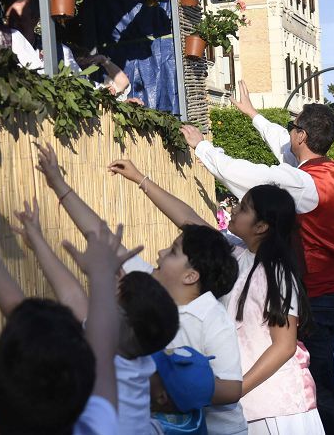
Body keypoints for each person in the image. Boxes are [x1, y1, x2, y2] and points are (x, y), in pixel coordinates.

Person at [35, 144, 247, 434]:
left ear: (190, 276)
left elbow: (233, 388)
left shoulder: (212, 320)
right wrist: (58, 184)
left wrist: (174, 381)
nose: (159, 253)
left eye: (172, 252)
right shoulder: (148, 283)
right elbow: (101, 235)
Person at [182, 80, 334, 435]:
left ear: (302, 135)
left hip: (318, 292)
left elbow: (253, 176)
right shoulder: (328, 169)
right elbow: (283, 145)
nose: (289, 132)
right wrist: (254, 115)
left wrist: (203, 149)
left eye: (294, 126)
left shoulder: (304, 184)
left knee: (318, 383)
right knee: (318, 376)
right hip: (328, 290)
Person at [108, 159, 323, 435]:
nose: (234, 210)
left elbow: (284, 346)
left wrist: (237, 388)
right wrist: (140, 178)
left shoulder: (276, 272)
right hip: (247, 406)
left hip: (279, 409)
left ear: (261, 227)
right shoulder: (236, 255)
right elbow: (187, 219)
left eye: (244, 208)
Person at [1, 199, 180, 435]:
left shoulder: (105, 360)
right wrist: (36, 239)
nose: (102, 301)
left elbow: (55, 303)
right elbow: (74, 298)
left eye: (112, 300)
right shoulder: (137, 358)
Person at [0, 218, 141, 435]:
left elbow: (102, 342)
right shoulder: (98, 428)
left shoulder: (101, 425)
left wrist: (102, 272)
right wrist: (102, 274)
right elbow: (103, 341)